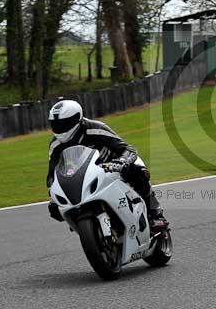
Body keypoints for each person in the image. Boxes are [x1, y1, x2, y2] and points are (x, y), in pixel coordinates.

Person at [45, 99, 168, 232]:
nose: (59, 128)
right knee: (55, 207)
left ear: (77, 119)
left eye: (64, 124)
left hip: (114, 168)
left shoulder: (96, 128)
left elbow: (128, 149)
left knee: (139, 172)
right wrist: (53, 192)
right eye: (55, 124)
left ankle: (156, 214)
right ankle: (86, 228)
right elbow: (52, 174)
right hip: (85, 178)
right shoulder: (55, 145)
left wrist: (122, 162)